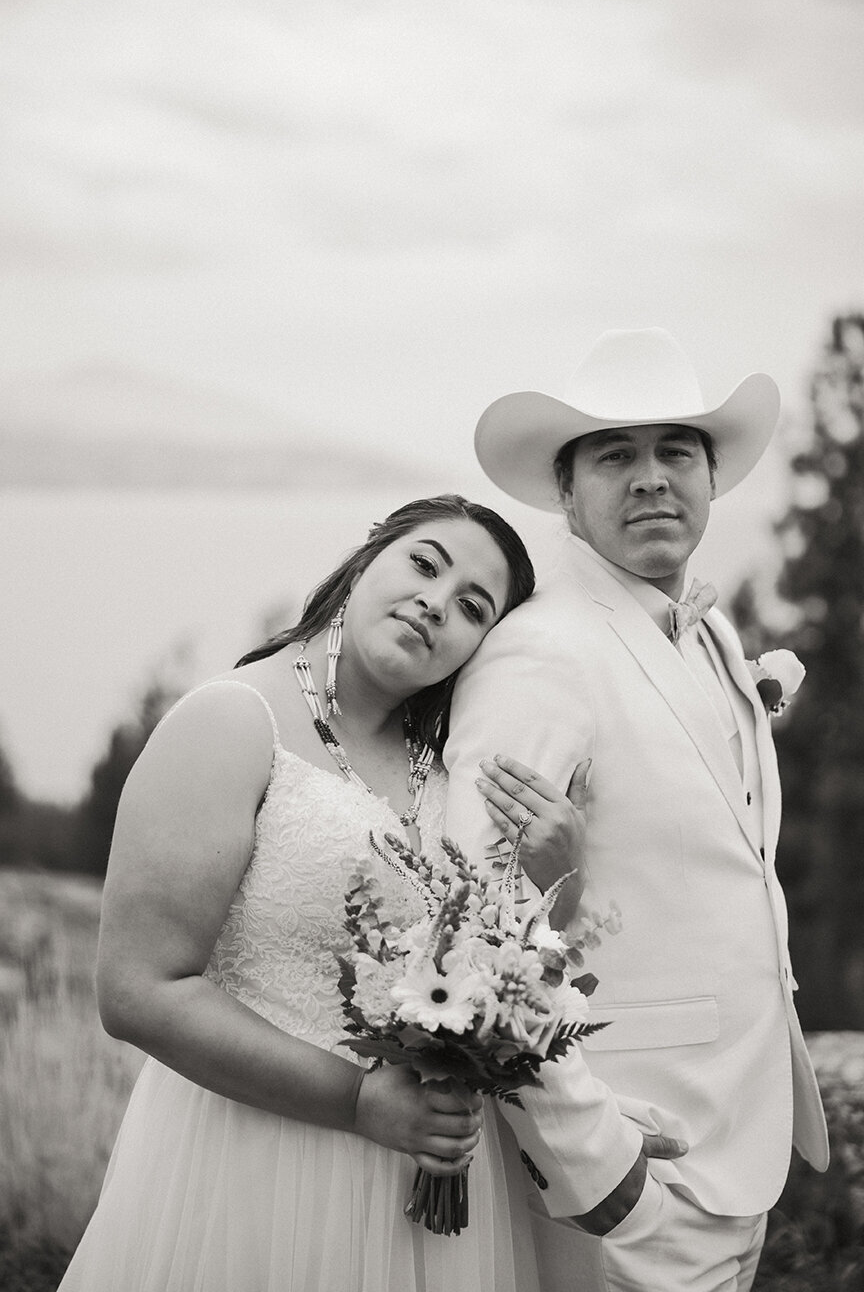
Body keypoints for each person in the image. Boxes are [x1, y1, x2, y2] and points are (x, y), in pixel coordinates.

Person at [58, 494, 589, 1292]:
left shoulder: (453, 775)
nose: (434, 603)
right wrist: (357, 1104)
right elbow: (136, 991)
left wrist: (560, 883)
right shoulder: (231, 723)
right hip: (252, 1171)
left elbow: (503, 974)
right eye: (423, 564)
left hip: (421, 1207)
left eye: (472, 608)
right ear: (368, 557)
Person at [445, 330, 830, 1292]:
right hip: (633, 1170)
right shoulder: (542, 652)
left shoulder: (706, 630)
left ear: (710, 477)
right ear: (567, 493)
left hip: (737, 1142)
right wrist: (596, 1164)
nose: (652, 478)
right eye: (617, 456)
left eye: (676, 452)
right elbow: (464, 926)